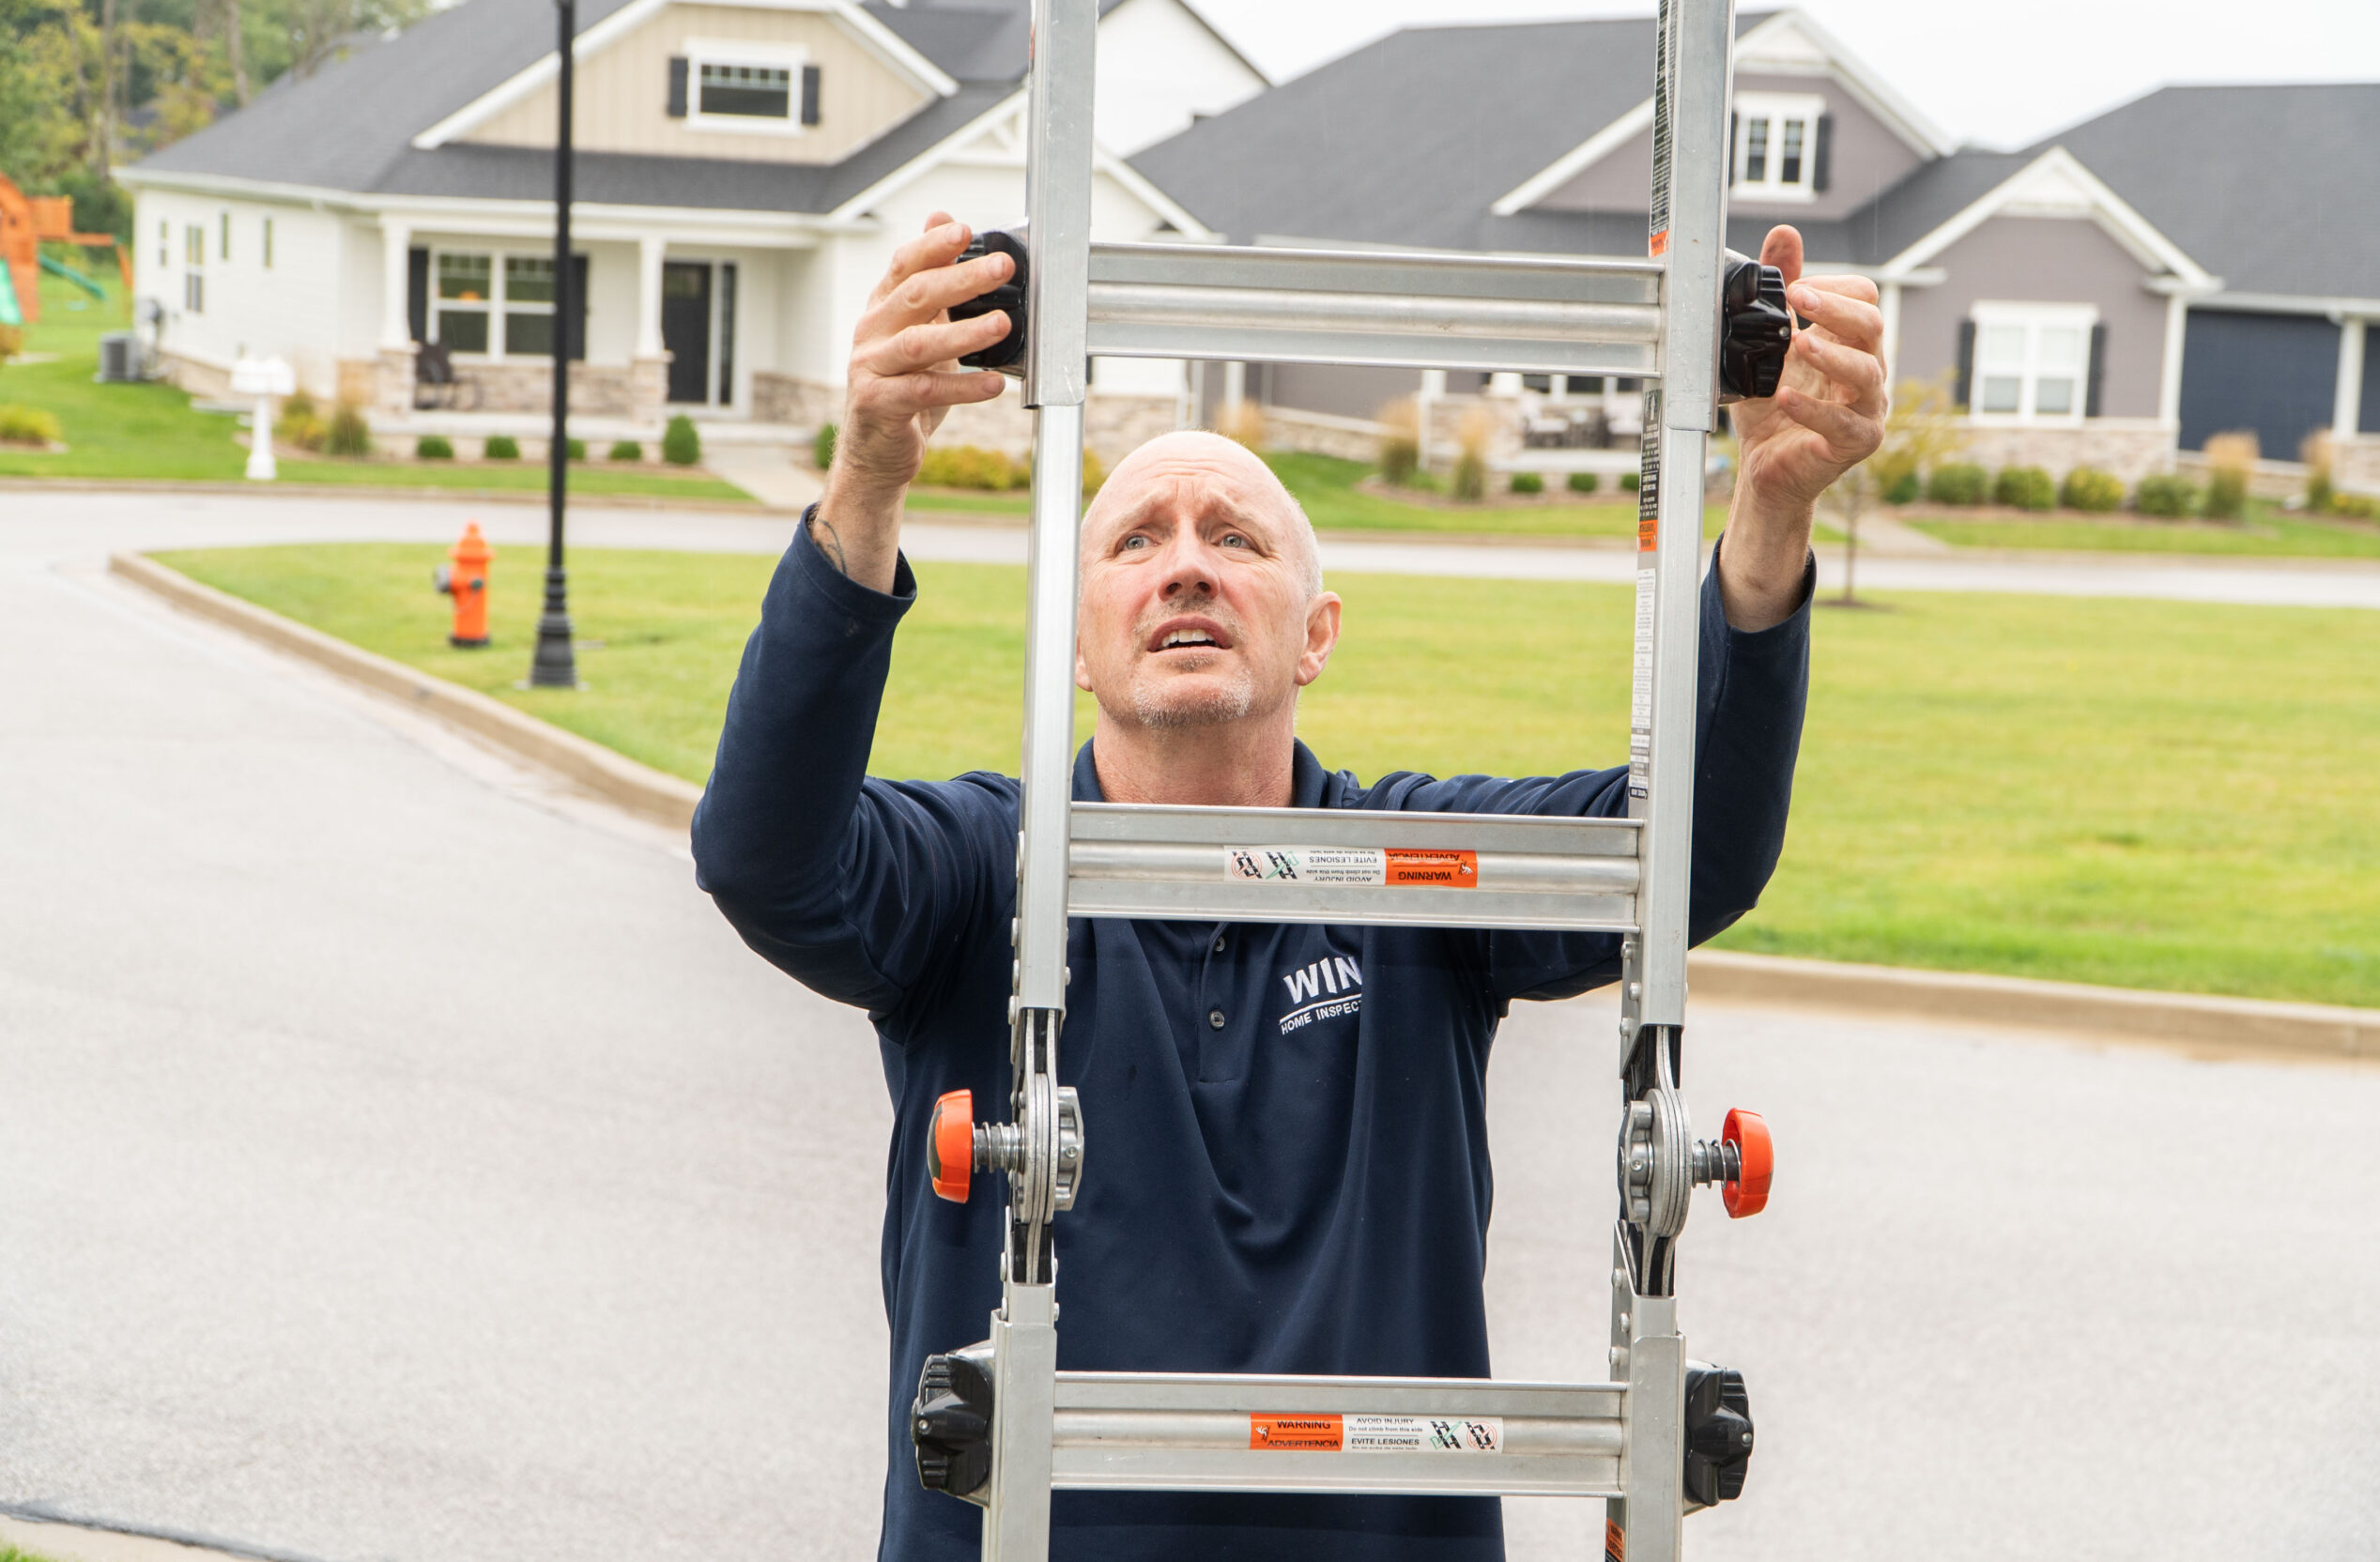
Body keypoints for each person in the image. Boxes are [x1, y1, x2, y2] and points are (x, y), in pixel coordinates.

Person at [691, 213, 1886, 1562]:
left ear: (1317, 634)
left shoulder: (1423, 877)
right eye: (1137, 539)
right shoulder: (984, 873)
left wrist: (1772, 514)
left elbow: (1689, 856)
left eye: (1237, 540)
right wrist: (865, 479)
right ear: (1077, 645)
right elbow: (763, 860)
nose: (1187, 561)